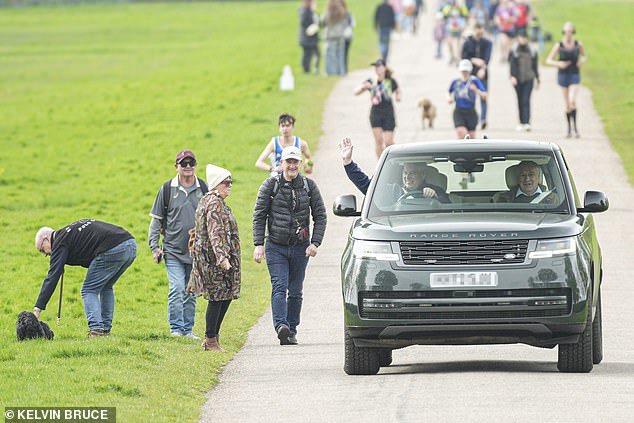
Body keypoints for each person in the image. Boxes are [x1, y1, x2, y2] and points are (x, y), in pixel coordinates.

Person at [253, 146, 327, 346]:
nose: (292, 166)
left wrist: (315, 243)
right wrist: (258, 244)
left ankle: (291, 330)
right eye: (289, 162)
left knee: (295, 291)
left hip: (300, 247)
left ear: (300, 164)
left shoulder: (309, 186)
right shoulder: (270, 185)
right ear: (281, 164)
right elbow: (259, 216)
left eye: (295, 162)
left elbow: (320, 216)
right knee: (279, 286)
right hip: (275, 246)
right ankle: (280, 326)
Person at [33, 219, 136, 338]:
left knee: (88, 290)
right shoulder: (67, 234)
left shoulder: (59, 242)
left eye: (42, 249)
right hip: (130, 245)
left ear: (46, 238)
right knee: (106, 287)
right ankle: (105, 330)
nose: (45, 254)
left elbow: (52, 277)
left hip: (113, 248)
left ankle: (96, 331)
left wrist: (38, 308)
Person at [149, 150, 207, 339]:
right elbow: (156, 220)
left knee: (191, 291)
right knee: (177, 288)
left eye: (191, 163)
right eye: (184, 163)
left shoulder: (203, 189)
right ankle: (176, 329)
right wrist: (154, 246)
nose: (188, 166)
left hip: (195, 251)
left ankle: (187, 330)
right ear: (177, 167)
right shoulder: (167, 189)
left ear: (196, 166)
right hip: (173, 250)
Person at [187, 164, 240, 352]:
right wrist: (222, 258)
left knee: (224, 296)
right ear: (217, 184)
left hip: (212, 258)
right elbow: (215, 231)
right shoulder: (214, 203)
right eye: (226, 182)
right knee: (218, 297)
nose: (230, 186)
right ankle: (210, 340)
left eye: (230, 182)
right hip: (214, 260)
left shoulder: (210, 200)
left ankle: (213, 338)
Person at [339, 137, 450, 203]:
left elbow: (449, 206)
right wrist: (348, 163)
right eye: (405, 173)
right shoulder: (392, 191)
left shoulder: (436, 190)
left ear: (423, 174)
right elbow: (367, 186)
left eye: (413, 173)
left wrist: (435, 197)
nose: (407, 177)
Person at [546, 22, 587, 138]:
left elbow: (584, 56)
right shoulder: (559, 45)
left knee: (572, 100)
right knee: (567, 104)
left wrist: (581, 61)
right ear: (564, 32)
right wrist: (559, 64)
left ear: (573, 32)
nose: (568, 34)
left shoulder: (578, 44)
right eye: (566, 32)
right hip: (563, 75)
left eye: (570, 32)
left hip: (574, 74)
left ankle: (576, 128)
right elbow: (548, 60)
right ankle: (570, 129)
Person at [355, 59, 401, 158]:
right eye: (375, 66)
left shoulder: (390, 81)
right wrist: (363, 87)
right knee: (379, 141)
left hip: (388, 113)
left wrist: (398, 96)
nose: (377, 68)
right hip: (376, 113)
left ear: (384, 68)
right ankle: (380, 165)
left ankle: (391, 162)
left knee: (389, 142)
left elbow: (397, 89)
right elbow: (356, 92)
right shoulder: (371, 81)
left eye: (379, 66)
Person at [461, 22, 493, 129]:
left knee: (483, 96)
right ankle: (472, 119)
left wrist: (483, 69)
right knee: (470, 97)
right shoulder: (468, 42)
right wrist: (474, 60)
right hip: (470, 73)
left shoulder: (487, 43)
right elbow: (464, 57)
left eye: (481, 29)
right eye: (477, 29)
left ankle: (483, 119)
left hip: (482, 73)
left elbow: (487, 58)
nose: (479, 32)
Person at [448, 59, 488, 139]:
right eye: (463, 71)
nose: (465, 73)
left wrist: (476, 90)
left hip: (471, 112)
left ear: (470, 71)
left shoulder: (475, 81)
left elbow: (485, 95)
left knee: (471, 137)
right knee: (461, 133)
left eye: (466, 71)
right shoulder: (456, 82)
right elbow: (449, 92)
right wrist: (449, 98)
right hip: (459, 111)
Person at [509, 31, 539, 131]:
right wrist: (512, 76)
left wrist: (537, 78)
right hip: (517, 79)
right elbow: (511, 64)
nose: (523, 40)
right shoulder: (514, 50)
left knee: (526, 100)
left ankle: (527, 122)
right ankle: (521, 122)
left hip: (528, 78)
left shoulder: (532, 50)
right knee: (519, 100)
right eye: (521, 37)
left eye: (525, 38)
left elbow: (535, 66)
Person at [494, 160, 559, 204]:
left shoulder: (553, 199)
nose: (527, 179)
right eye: (523, 175)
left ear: (538, 177)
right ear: (518, 178)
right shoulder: (503, 199)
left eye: (531, 174)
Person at [322, 0, 348, 76]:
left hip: (330, 37)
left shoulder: (327, 12)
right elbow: (345, 24)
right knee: (340, 56)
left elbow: (322, 21)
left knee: (330, 57)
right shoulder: (342, 12)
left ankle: (331, 73)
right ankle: (341, 72)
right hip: (340, 36)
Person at [299, 0, 321, 74]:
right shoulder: (304, 11)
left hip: (312, 38)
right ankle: (306, 70)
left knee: (316, 54)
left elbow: (318, 21)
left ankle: (314, 69)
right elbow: (304, 22)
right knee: (307, 55)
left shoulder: (310, 11)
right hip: (306, 38)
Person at [342, 2, 355, 75]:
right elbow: (353, 24)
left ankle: (343, 69)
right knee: (345, 54)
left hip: (343, 37)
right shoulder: (348, 13)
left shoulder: (340, 14)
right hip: (348, 36)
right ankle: (344, 69)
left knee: (342, 54)